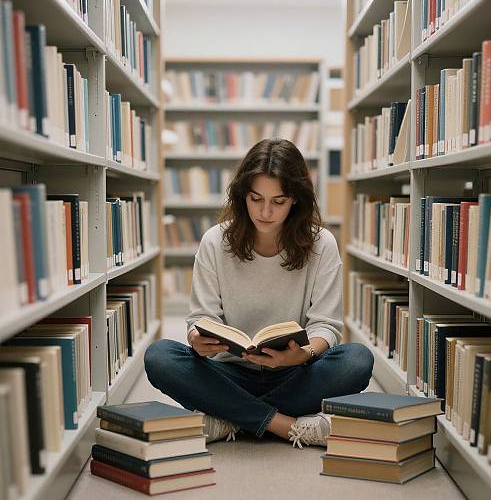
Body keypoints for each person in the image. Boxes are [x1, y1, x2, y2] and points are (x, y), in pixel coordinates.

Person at [144, 138, 374, 449]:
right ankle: (284, 424)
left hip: (293, 372)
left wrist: (302, 355)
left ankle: (230, 417)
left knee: (357, 360)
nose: (265, 212)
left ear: (296, 200)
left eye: (278, 201)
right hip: (228, 371)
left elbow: (326, 326)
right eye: (256, 199)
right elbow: (201, 318)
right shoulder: (215, 241)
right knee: (160, 357)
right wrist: (198, 342)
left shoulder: (322, 243)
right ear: (242, 196)